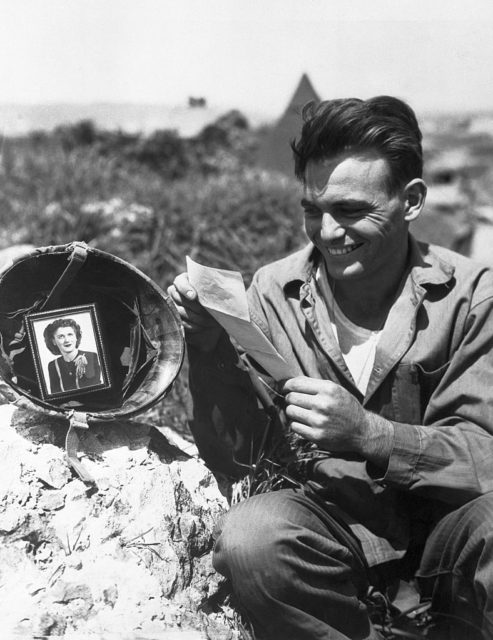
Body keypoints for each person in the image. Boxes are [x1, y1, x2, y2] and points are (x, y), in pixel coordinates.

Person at [168, 96, 493, 639]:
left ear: (411, 201)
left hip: (445, 540)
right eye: (312, 210)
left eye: (350, 211)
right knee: (253, 537)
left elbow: (485, 456)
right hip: (334, 536)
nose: (327, 232)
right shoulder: (273, 292)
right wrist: (208, 351)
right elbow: (240, 454)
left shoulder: (472, 298)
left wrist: (373, 434)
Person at [43, 317, 101, 394]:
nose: (67, 340)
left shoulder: (90, 356)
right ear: (53, 341)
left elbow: (95, 390)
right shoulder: (53, 365)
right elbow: (55, 394)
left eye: (70, 334)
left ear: (76, 337)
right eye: (61, 336)